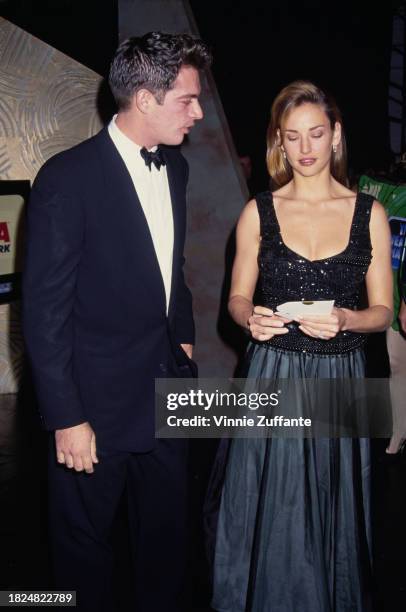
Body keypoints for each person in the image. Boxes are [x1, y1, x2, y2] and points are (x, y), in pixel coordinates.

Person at [22, 32, 211, 612]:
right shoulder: (66, 180)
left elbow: (168, 266)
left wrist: (183, 338)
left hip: (165, 393)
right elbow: (43, 312)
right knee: (83, 554)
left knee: (166, 542)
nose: (198, 112)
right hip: (93, 410)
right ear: (146, 100)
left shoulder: (175, 170)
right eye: (187, 99)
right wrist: (67, 416)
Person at [211, 81, 393, 611]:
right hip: (272, 371)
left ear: (335, 136)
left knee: (333, 505)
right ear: (279, 143)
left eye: (316, 133)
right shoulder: (257, 212)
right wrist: (252, 320)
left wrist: (348, 319)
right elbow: (237, 299)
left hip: (342, 375)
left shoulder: (370, 214)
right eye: (293, 137)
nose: (306, 148)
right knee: (272, 506)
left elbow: (382, 312)